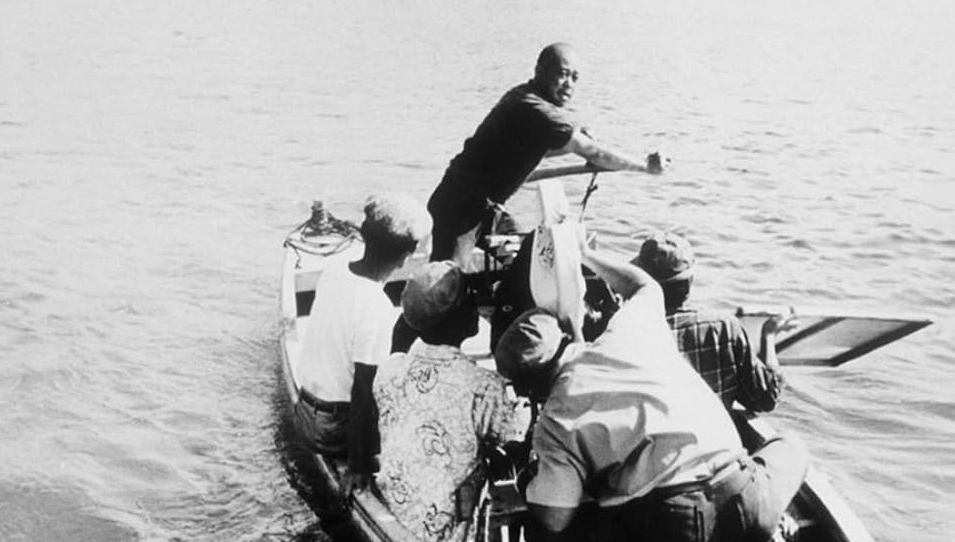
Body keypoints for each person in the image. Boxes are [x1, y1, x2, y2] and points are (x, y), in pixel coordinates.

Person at [494, 240, 809, 542]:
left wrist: (534, 485)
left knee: (545, 536)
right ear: (566, 337)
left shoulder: (555, 421)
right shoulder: (632, 330)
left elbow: (555, 520)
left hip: (678, 536)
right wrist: (585, 255)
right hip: (749, 506)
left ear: (531, 385)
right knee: (790, 445)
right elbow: (644, 285)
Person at [427, 42, 670, 262]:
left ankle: (509, 302)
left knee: (533, 260)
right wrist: (645, 166)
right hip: (458, 211)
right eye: (563, 74)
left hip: (485, 211)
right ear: (540, 70)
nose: (569, 85)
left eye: (575, 78)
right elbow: (595, 154)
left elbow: (531, 149)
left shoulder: (523, 96)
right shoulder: (535, 109)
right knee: (442, 288)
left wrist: (578, 145)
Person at [372, 261, 520, 542]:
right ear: (461, 316)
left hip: (395, 512)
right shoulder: (484, 386)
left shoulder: (389, 370)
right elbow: (509, 442)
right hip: (447, 540)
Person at [294, 192, 430, 482]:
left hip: (305, 411)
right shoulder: (376, 307)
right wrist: (360, 465)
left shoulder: (335, 269)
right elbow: (363, 395)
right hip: (332, 429)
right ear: (410, 251)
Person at [634, 231, 793, 413]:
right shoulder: (724, 328)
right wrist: (769, 335)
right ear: (689, 282)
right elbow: (766, 399)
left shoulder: (630, 330)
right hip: (709, 438)